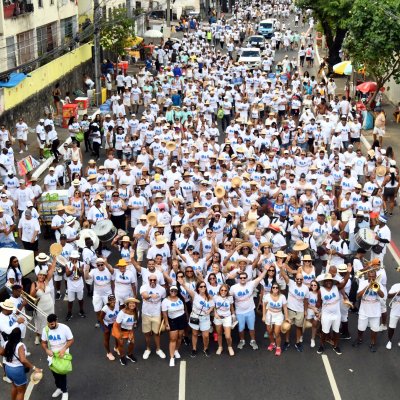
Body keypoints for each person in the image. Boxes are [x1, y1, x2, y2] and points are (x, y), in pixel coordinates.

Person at [229, 266, 268, 350]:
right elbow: (228, 299)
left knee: (251, 327)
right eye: (241, 277)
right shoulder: (233, 288)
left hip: (250, 310)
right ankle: (242, 340)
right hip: (239, 312)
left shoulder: (251, 284)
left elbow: (260, 277)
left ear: (247, 278)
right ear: (238, 278)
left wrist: (265, 270)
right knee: (241, 328)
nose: (242, 279)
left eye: (244, 277)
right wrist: (232, 313)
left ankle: (253, 341)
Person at [316, 267, 351, 355]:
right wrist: (315, 310)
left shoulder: (336, 287)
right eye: (327, 281)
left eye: (330, 281)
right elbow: (319, 303)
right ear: (324, 282)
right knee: (324, 332)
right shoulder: (320, 291)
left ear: (332, 281)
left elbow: (344, 282)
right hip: (326, 315)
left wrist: (348, 272)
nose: (328, 282)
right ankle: (322, 345)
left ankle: (336, 346)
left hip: (336, 314)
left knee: (336, 331)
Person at [0, 327, 41, 400]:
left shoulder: (6, 343)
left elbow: (1, 352)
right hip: (17, 371)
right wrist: (34, 367)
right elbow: (23, 360)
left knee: (14, 386)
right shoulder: (20, 345)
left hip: (8, 369)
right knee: (21, 392)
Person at [177, 278, 214, 358]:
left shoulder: (209, 297)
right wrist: (182, 284)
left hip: (205, 318)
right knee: (195, 333)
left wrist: (209, 311)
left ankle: (205, 348)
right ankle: (194, 349)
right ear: (198, 288)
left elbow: (212, 305)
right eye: (201, 286)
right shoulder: (195, 295)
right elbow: (187, 289)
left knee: (206, 335)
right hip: (195, 316)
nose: (203, 288)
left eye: (204, 286)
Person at [41, 313, 74, 400]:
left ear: (56, 321)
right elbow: (43, 342)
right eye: (48, 324)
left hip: (63, 354)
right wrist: (47, 350)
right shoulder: (46, 329)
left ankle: (65, 391)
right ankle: (59, 388)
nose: (50, 325)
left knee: (62, 373)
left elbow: (71, 340)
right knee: (55, 373)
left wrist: (64, 349)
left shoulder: (65, 328)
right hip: (52, 356)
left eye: (52, 324)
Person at [353, 269, 385, 352]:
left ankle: (373, 343)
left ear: (375, 276)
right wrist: (367, 288)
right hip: (364, 309)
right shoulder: (363, 283)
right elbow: (358, 296)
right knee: (360, 327)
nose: (371, 278)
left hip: (375, 310)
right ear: (367, 275)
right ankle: (359, 339)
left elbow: (382, 295)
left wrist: (376, 287)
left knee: (374, 328)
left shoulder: (379, 284)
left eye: (373, 277)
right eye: (370, 276)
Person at [139, 274, 167, 360]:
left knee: (156, 333)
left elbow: (163, 301)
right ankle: (148, 349)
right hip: (146, 313)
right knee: (147, 333)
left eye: (154, 280)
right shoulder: (143, 287)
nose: (152, 281)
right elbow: (145, 296)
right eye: (151, 280)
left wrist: (163, 315)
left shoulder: (162, 289)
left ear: (157, 280)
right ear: (148, 279)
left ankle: (158, 349)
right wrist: (151, 296)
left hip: (156, 314)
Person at [30, 259, 56, 345]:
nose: (41, 276)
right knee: (39, 322)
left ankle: (48, 337)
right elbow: (31, 296)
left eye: (43, 275)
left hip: (50, 305)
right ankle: (37, 337)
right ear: (37, 275)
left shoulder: (47, 281)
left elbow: (51, 270)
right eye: (40, 275)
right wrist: (36, 289)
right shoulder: (34, 284)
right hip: (40, 307)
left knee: (50, 321)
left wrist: (55, 258)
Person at [161, 285, 187, 367]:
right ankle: (172, 358)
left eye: (175, 291)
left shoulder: (180, 298)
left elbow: (184, 309)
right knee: (173, 339)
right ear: (169, 291)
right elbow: (164, 313)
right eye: (172, 291)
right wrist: (166, 323)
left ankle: (176, 350)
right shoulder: (165, 301)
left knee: (180, 337)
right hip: (172, 320)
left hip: (182, 319)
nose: (173, 292)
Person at [262, 283, 290, 357]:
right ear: (271, 288)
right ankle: (272, 343)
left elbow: (285, 308)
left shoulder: (282, 297)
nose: (275, 289)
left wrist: (286, 317)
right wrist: (264, 315)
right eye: (273, 287)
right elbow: (264, 305)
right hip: (269, 315)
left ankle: (278, 347)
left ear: (279, 289)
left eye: (276, 287)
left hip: (278, 315)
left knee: (276, 333)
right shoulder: (267, 296)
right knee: (269, 332)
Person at [112, 297, 139, 366]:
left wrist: (131, 332)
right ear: (127, 304)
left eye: (134, 303)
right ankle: (122, 357)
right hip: (119, 328)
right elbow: (117, 324)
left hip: (129, 329)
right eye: (131, 303)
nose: (132, 304)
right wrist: (120, 334)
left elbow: (133, 323)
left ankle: (129, 355)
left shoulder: (136, 312)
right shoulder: (122, 312)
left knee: (132, 342)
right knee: (121, 343)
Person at [99, 294, 119, 361]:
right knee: (107, 338)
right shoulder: (105, 309)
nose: (112, 301)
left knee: (117, 336)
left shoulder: (117, 304)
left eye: (114, 299)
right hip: (107, 323)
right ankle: (108, 353)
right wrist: (105, 328)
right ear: (108, 301)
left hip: (114, 322)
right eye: (111, 300)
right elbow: (100, 318)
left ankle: (116, 348)